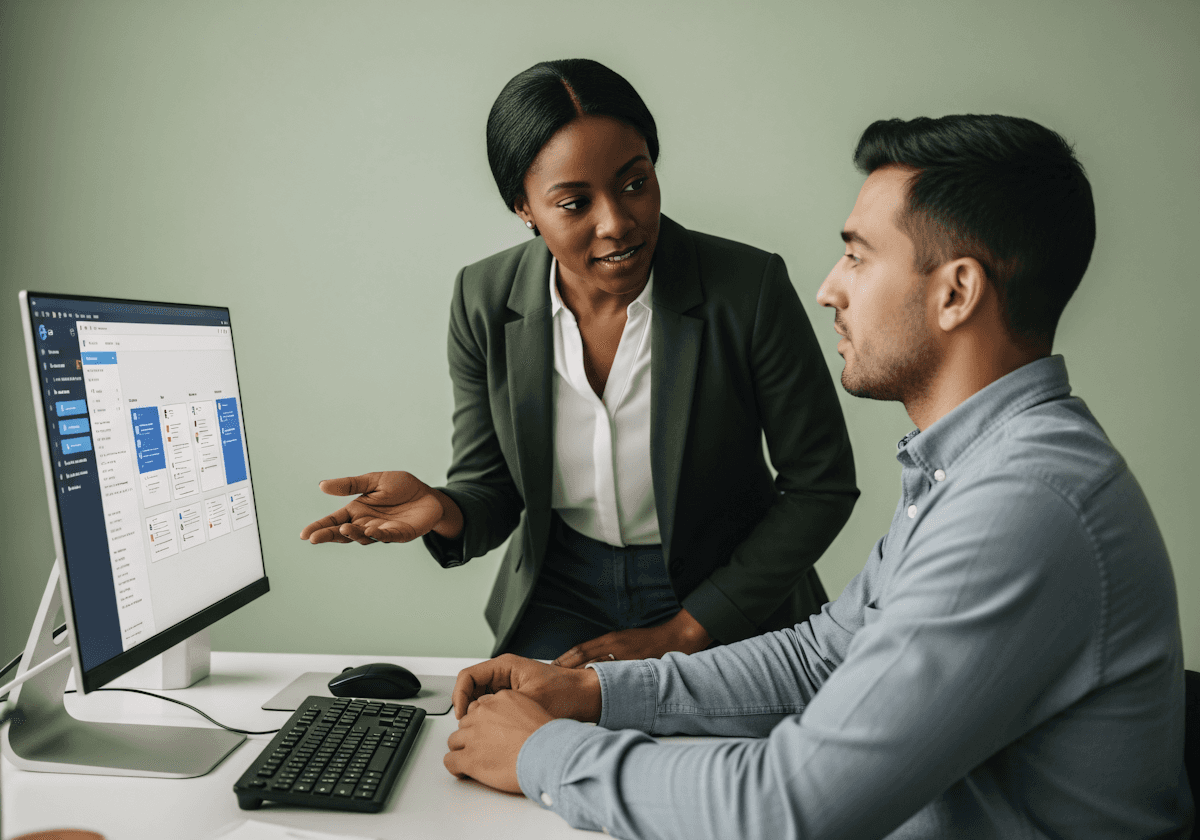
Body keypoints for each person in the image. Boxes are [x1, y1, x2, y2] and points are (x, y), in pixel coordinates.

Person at [441, 114, 1194, 839]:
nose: (829, 287)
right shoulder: (975, 463)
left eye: (859, 256)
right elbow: (825, 654)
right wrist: (592, 692)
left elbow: (786, 810)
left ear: (956, 293)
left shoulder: (1024, 505)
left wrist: (542, 755)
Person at [299, 59, 858, 662]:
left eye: (635, 183)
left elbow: (819, 485)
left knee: (715, 752)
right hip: (564, 590)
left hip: (722, 587)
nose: (617, 223)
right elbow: (491, 485)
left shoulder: (747, 288)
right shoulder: (483, 300)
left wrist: (686, 631)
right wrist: (443, 508)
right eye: (574, 203)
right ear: (525, 208)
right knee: (505, 746)